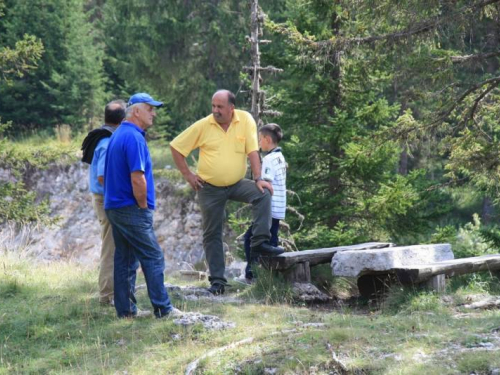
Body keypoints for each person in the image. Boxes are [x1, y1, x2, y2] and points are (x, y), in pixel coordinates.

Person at [170, 89, 284, 296]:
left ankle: (259, 244)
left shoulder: (245, 120)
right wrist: (188, 175)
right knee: (212, 233)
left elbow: (252, 152)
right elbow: (176, 147)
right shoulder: (204, 125)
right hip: (209, 187)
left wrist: (258, 178)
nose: (215, 110)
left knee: (263, 194)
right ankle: (218, 282)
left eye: (220, 107)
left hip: (236, 183)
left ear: (232, 108)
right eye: (213, 106)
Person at [104, 93, 179, 318]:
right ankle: (163, 309)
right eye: (150, 109)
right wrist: (143, 206)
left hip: (116, 207)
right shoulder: (134, 138)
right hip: (131, 207)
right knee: (153, 256)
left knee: (125, 258)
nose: (154, 113)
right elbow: (138, 178)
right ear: (136, 111)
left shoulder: (119, 134)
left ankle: (126, 312)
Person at [81, 99, 126, 305]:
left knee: (113, 245)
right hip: (106, 199)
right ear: (123, 119)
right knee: (111, 247)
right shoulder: (108, 143)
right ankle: (107, 296)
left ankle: (115, 291)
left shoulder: (103, 136)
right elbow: (103, 177)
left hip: (101, 198)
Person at [242, 124, 287, 282]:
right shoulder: (280, 157)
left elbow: (266, 185)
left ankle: (252, 274)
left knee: (250, 239)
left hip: (269, 208)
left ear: (268, 140)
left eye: (260, 139)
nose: (259, 143)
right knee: (271, 240)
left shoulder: (268, 159)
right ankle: (268, 278)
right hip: (279, 208)